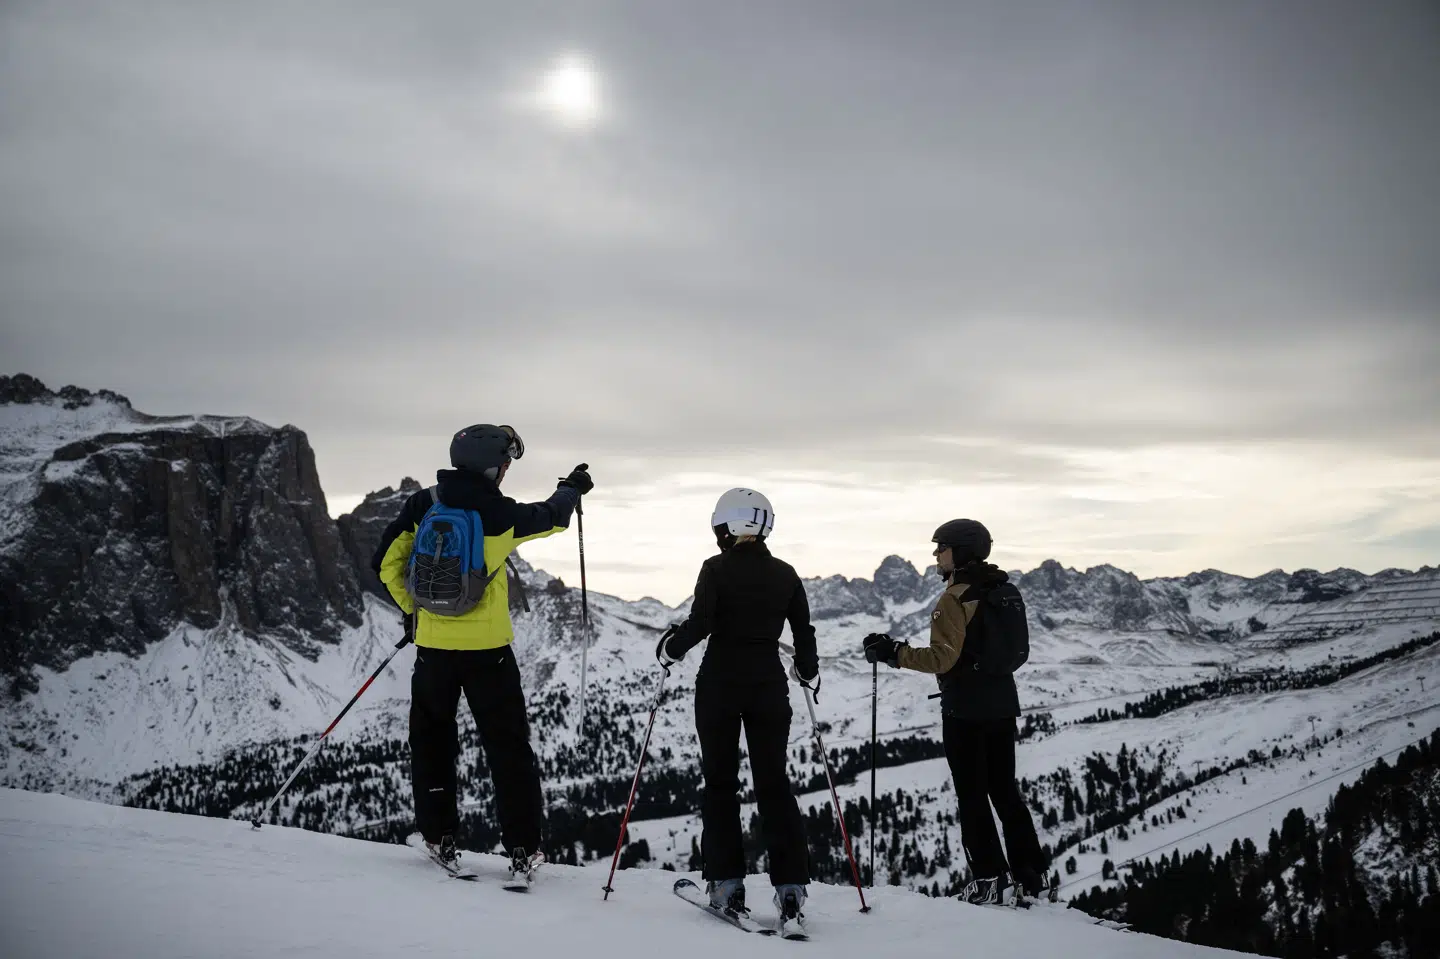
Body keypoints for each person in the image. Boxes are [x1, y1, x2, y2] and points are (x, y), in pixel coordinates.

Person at [372, 423, 592, 882]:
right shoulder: (500, 513)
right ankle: (522, 850)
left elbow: (385, 563)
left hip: (433, 649)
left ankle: (439, 837)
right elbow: (552, 516)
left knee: (432, 743)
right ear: (495, 467)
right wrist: (571, 489)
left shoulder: (423, 505)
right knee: (508, 749)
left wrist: (414, 611)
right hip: (489, 653)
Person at [862, 518, 1048, 904]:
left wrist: (893, 653)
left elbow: (941, 660)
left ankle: (989, 881)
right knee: (1005, 792)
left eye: (941, 548)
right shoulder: (1004, 590)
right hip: (1001, 704)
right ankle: (1032, 878)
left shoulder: (955, 598)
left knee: (972, 795)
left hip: (965, 709)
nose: (936, 554)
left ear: (959, 552)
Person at [656, 488, 819, 926]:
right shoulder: (786, 574)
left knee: (721, 784)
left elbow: (702, 622)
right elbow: (804, 633)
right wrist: (807, 670)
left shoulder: (715, 569)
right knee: (773, 784)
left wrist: (671, 649)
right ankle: (790, 890)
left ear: (729, 525)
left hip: (720, 685)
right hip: (768, 687)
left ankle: (727, 884)